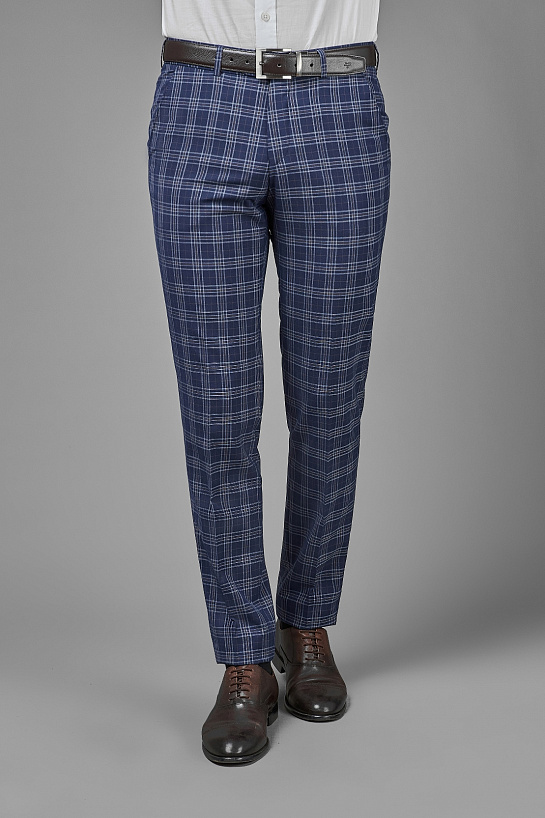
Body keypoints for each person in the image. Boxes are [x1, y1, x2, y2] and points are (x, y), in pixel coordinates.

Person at [147, 0, 390, 765]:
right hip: (201, 98)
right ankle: (243, 657)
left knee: (329, 394)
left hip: (336, 102)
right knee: (216, 405)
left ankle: (305, 622)